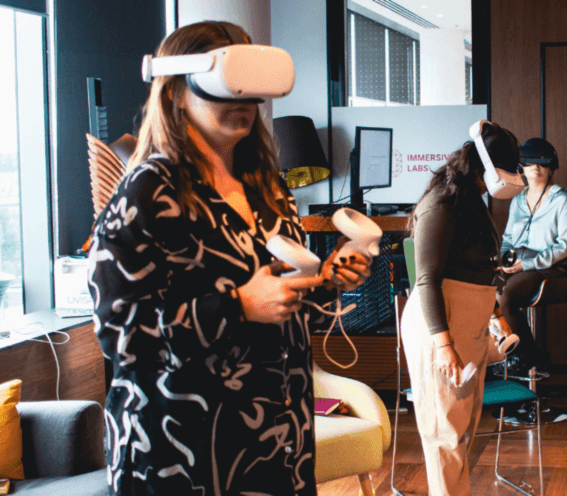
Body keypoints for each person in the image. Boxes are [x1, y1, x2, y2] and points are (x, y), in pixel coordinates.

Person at [87, 22, 370, 495]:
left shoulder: (267, 187)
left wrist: (324, 278)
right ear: (177, 92)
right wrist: (238, 306)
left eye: (251, 87)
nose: (242, 101)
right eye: (226, 84)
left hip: (275, 441)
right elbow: (121, 336)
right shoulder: (148, 191)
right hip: (183, 452)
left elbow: (275, 294)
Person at [401, 121, 521, 496]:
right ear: (483, 163)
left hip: (469, 320)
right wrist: (444, 345)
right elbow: (427, 280)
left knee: (461, 429)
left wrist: (496, 313)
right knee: (444, 433)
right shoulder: (442, 202)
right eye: (510, 167)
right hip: (442, 324)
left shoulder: (473, 199)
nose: (515, 177)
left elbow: (480, 266)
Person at [493, 138, 567, 375]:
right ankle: (513, 355)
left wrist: (527, 264)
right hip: (520, 262)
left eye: (542, 163)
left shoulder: (564, 201)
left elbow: (564, 247)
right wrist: (505, 261)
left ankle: (527, 357)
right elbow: (509, 239)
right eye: (529, 162)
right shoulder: (518, 200)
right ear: (521, 167)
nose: (536, 167)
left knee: (506, 294)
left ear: (552, 168)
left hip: (552, 266)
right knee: (488, 287)